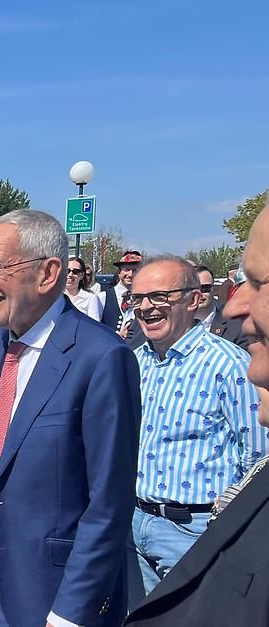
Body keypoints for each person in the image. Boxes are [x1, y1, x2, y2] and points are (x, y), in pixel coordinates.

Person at [0, 209, 139, 627]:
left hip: (46, 588)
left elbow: (109, 502)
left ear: (48, 273)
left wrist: (73, 611)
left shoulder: (102, 358)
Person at [125, 203, 269, 626]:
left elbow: (256, 457)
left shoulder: (229, 364)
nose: (146, 306)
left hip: (193, 531)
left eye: (159, 297)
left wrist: (224, 534)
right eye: (138, 297)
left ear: (194, 301)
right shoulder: (135, 361)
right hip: (135, 524)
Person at [101, 250, 142, 337]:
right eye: (126, 270)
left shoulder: (144, 298)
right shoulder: (103, 297)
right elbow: (95, 329)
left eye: (134, 270)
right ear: (119, 273)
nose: (130, 274)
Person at [65, 256, 102, 321]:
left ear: (82, 275)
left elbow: (94, 325)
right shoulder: (55, 297)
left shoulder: (90, 298)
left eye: (75, 272)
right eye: (67, 271)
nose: (70, 274)